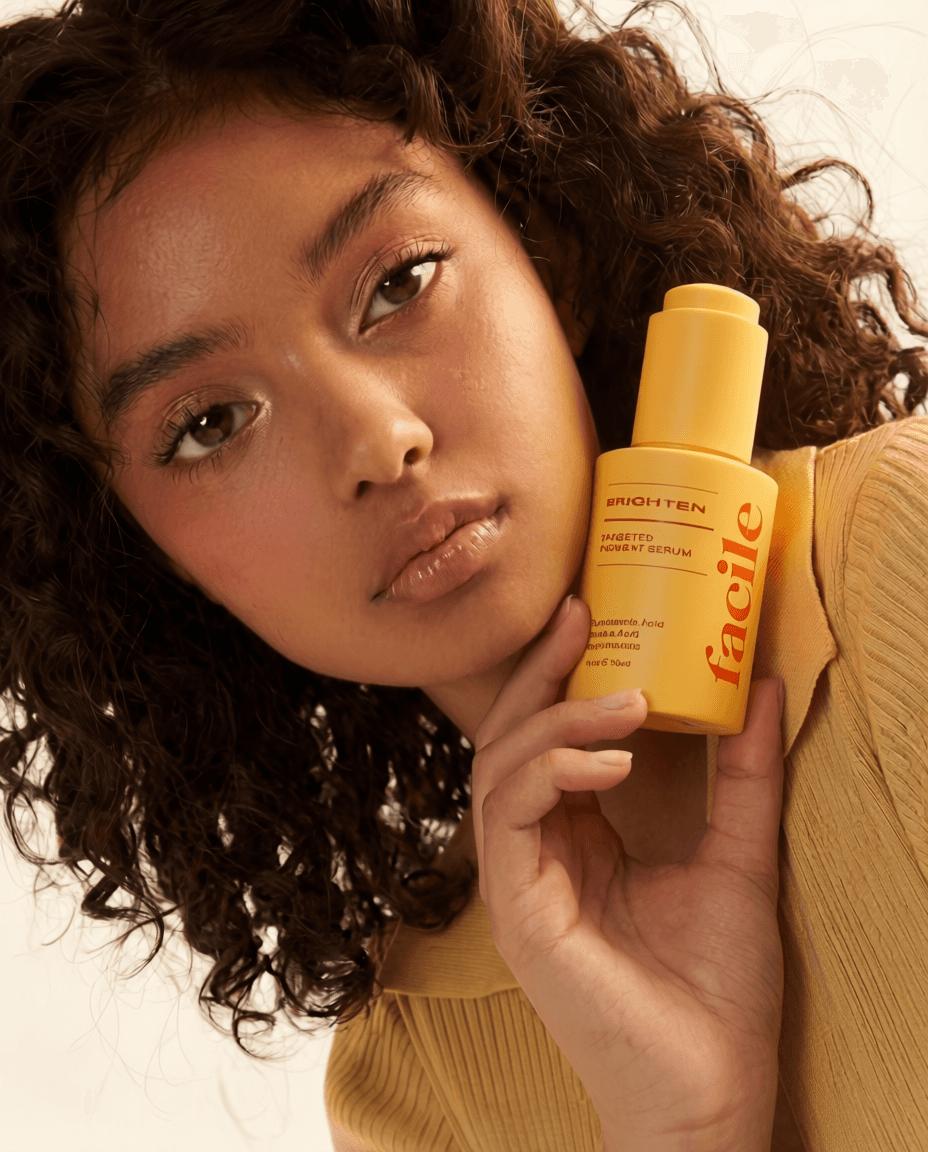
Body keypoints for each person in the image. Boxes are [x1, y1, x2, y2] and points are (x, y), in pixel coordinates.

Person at [0, 1, 925, 1149]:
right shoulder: (414, 1079)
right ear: (142, 561)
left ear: (550, 254)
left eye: (397, 284)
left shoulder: (904, 557)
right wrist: (687, 1126)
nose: (377, 441)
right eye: (211, 422)